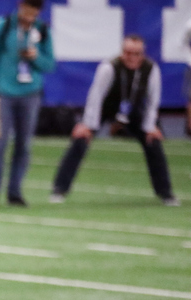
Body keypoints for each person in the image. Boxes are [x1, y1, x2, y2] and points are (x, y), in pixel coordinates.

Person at [48, 36, 177, 208]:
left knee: (153, 141)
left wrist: (150, 126)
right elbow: (96, 96)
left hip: (132, 109)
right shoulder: (109, 67)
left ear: (143, 54)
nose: (132, 58)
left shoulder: (151, 69)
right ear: (122, 52)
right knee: (81, 139)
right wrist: (87, 125)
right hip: (106, 107)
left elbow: (153, 100)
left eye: (137, 54)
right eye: (128, 53)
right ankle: (60, 188)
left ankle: (165, 192)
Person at [0, 0, 52, 208]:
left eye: (33, 13)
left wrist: (36, 57)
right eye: (26, 11)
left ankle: (15, 192)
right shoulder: (4, 25)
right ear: (20, 6)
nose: (29, 16)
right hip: (3, 94)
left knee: (24, 145)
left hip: (30, 94)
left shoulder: (42, 29)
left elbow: (50, 64)